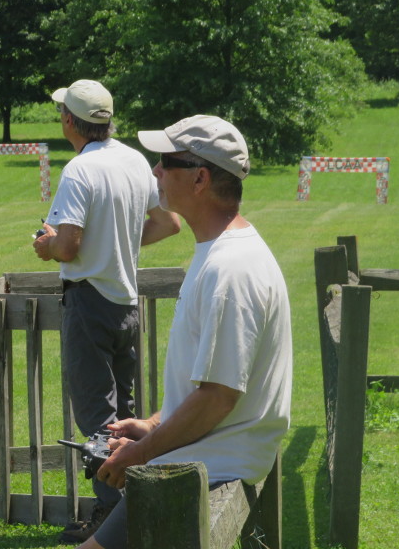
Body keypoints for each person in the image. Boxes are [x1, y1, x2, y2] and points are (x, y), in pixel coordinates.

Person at [75, 114, 292, 549]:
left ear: (199, 179)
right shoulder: (222, 251)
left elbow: (218, 396)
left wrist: (142, 452)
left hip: (207, 469)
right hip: (205, 460)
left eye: (165, 161)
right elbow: (211, 386)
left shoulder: (229, 270)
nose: (155, 170)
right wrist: (152, 424)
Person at [32, 79, 181, 543]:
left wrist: (45, 246)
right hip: (125, 304)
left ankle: (113, 522)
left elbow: (69, 245)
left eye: (62, 113)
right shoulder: (134, 160)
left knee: (97, 418)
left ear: (70, 121)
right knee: (125, 415)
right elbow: (168, 223)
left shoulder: (80, 170)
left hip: (89, 301)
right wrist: (115, 243)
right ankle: (136, 508)